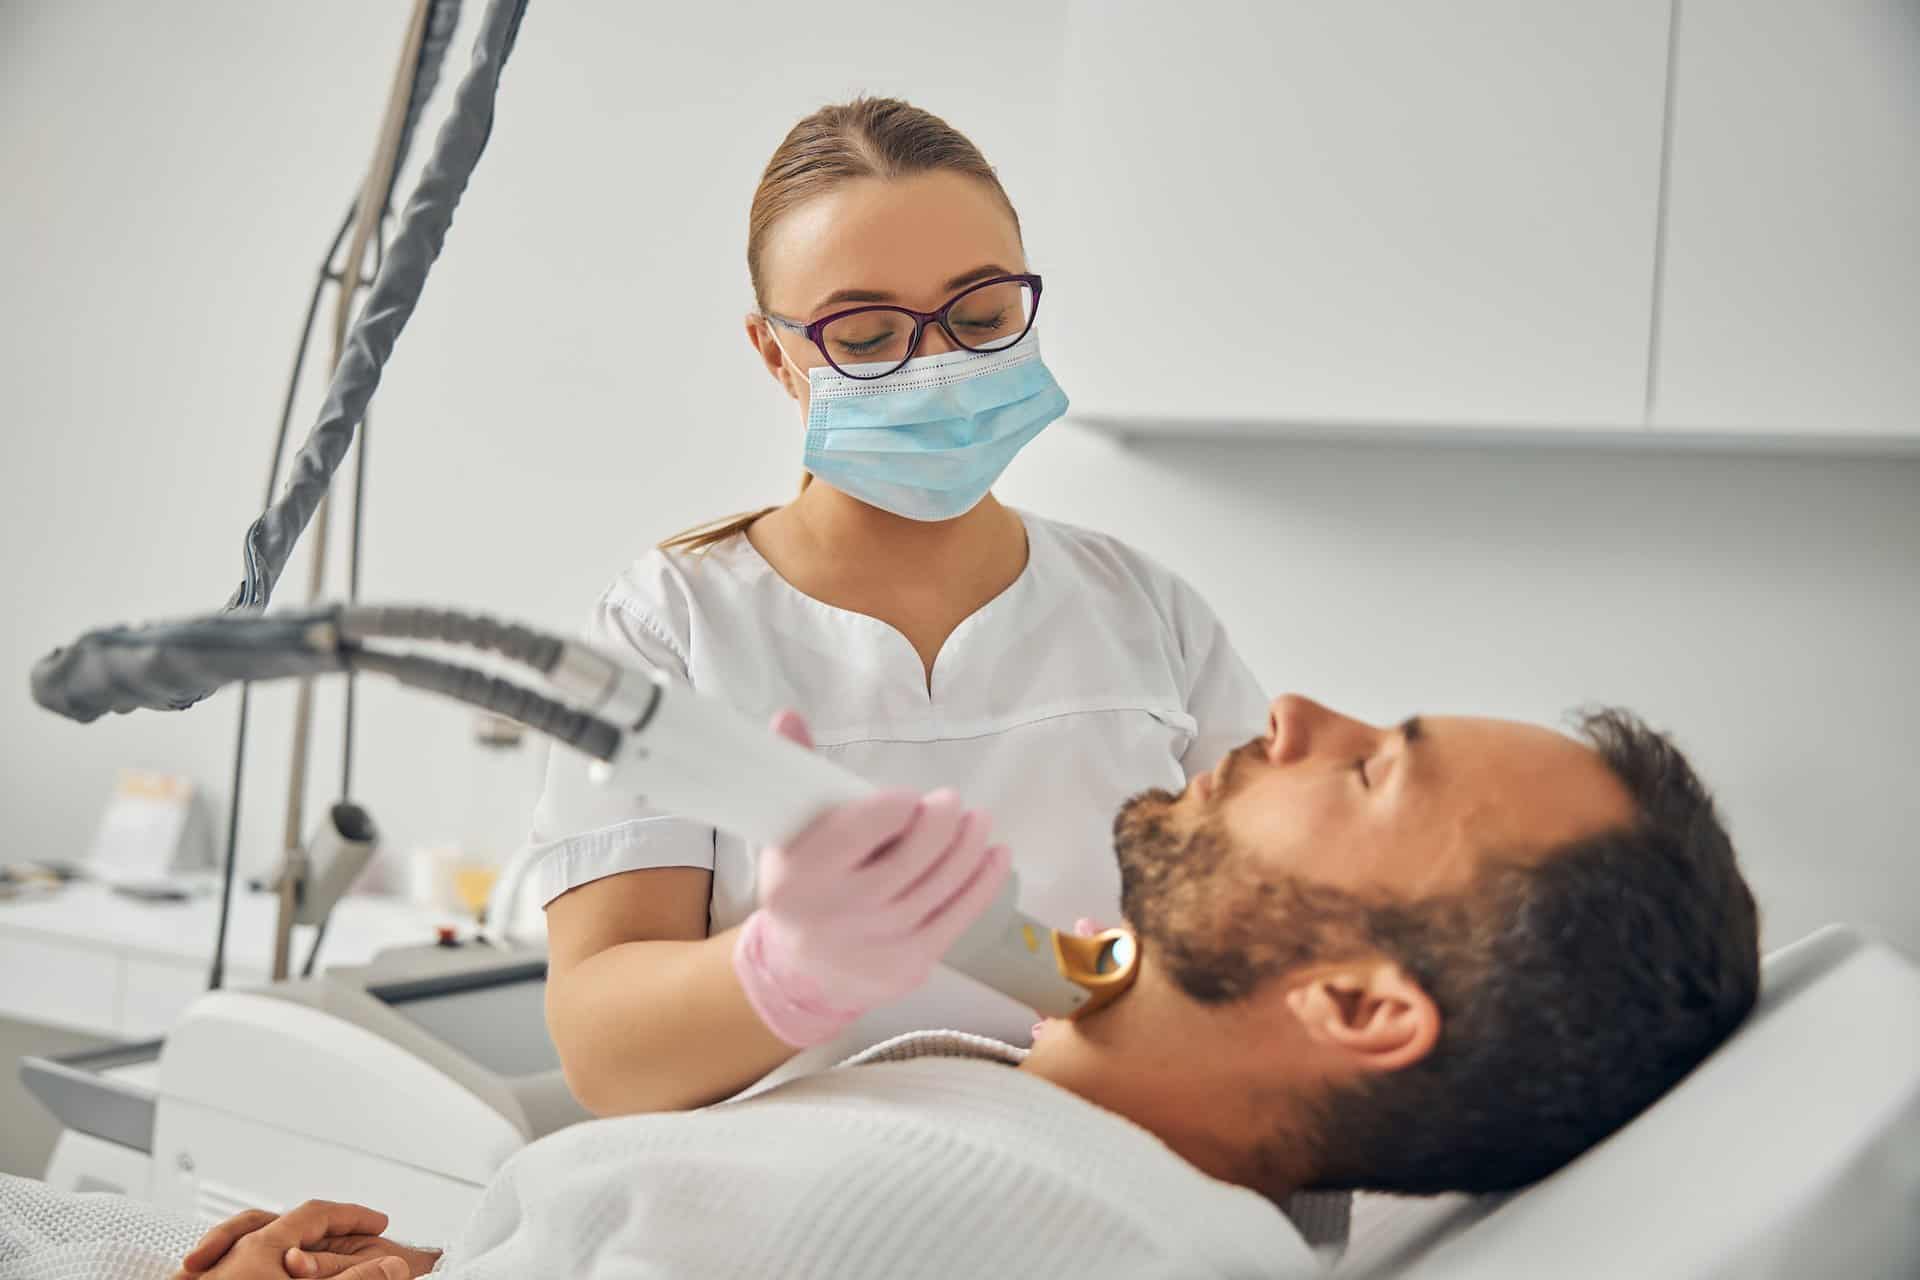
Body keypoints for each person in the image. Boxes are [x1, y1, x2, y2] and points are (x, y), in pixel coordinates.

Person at [159, 695, 1759, 1280]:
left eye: (1365, 773)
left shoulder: (998, 1225)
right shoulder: (1045, 1124)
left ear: (1358, 1009)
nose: (1292, 712)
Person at [532, 95, 1275, 1115]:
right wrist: (784, 967)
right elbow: (609, 1058)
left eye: (980, 317)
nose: (936, 366)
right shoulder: (677, 625)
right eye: (868, 335)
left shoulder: (1147, 614)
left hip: (1105, 1181)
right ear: (773, 354)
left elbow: (1267, 947)